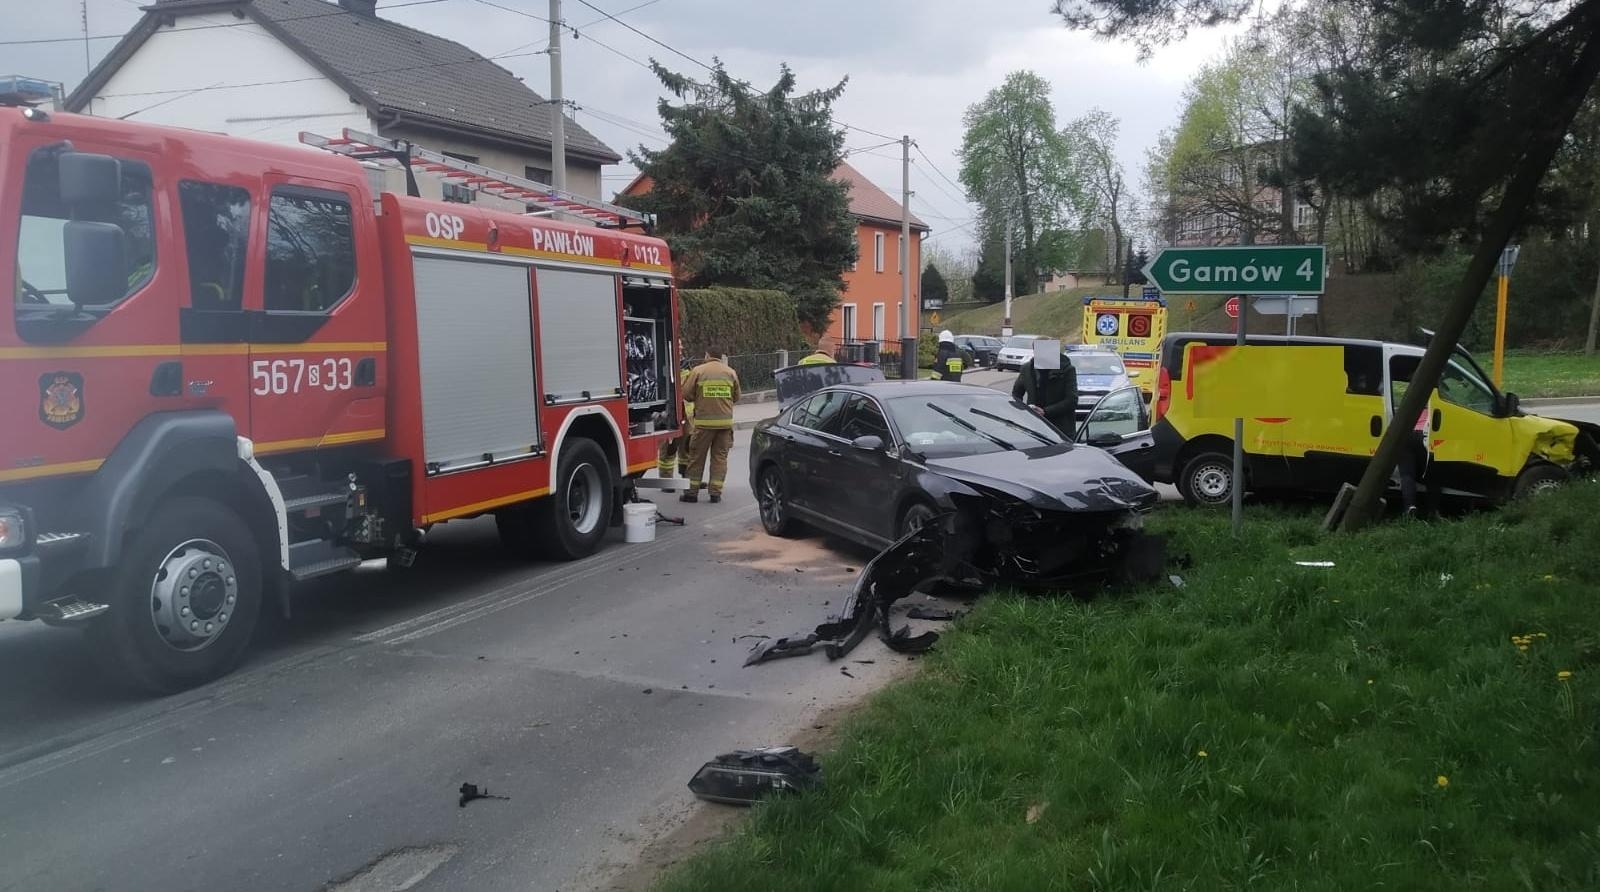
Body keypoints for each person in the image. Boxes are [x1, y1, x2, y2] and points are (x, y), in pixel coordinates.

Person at [680, 347, 741, 503]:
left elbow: (686, 394)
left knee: (696, 458)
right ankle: (715, 493)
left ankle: (691, 494)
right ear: (720, 357)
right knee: (720, 458)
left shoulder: (698, 371)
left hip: (703, 424)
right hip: (725, 425)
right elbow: (736, 397)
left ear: (707, 355)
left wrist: (700, 397)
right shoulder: (730, 372)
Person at [1011, 344, 1079, 437]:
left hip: (1061, 429)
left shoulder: (1067, 369)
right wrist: (1025, 412)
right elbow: (1016, 395)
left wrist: (1045, 411)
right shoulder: (1027, 369)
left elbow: (1072, 400)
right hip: (1034, 426)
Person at [656, 356, 695, 491]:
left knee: (687, 448)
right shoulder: (662, 366)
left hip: (687, 416)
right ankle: (666, 482)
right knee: (668, 449)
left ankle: (687, 477)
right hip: (670, 415)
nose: (680, 347)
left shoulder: (689, 369)